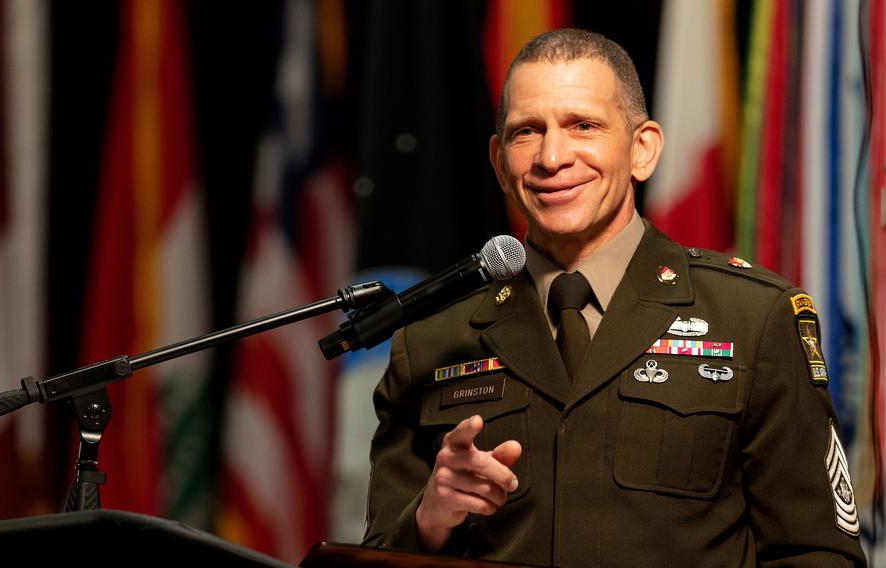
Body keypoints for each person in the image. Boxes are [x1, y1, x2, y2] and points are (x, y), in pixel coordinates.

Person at [362, 29, 867, 566]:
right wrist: (430, 519)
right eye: (526, 132)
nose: (552, 157)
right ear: (498, 161)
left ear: (642, 149)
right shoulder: (430, 339)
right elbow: (371, 559)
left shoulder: (753, 319)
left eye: (584, 126)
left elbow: (818, 554)